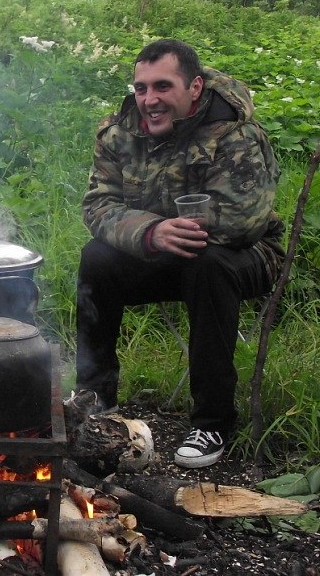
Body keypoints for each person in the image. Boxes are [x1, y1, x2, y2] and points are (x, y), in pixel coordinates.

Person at [74, 39, 284, 468]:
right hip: (162, 250)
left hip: (246, 255)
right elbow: (97, 205)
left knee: (208, 266)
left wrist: (169, 229)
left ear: (194, 87)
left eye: (163, 87)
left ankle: (212, 422)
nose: (150, 100)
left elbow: (245, 220)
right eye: (141, 88)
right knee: (97, 257)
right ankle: (95, 400)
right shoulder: (119, 132)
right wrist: (151, 231)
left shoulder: (235, 131)